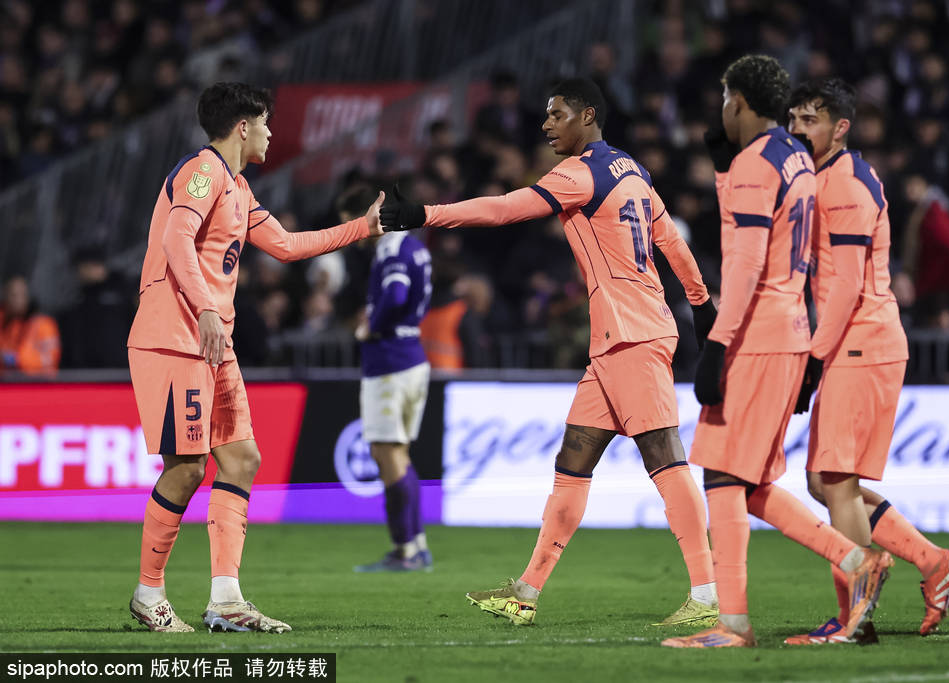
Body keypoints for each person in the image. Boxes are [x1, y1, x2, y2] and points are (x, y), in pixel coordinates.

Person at [381, 77, 720, 628]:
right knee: (572, 463)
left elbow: (504, 209)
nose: (545, 125)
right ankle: (525, 592)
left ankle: (707, 596)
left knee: (664, 454)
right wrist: (701, 304)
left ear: (587, 116)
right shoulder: (632, 170)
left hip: (631, 335)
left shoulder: (581, 173)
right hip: (619, 337)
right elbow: (672, 243)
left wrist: (424, 214)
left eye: (556, 114)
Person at [126, 82, 384, 633]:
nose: (270, 133)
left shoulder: (238, 187)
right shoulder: (203, 171)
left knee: (242, 459)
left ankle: (226, 600)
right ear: (243, 126)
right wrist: (206, 309)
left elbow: (287, 246)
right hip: (175, 339)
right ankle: (149, 593)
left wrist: (361, 228)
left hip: (212, 344)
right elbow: (176, 240)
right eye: (265, 123)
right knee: (186, 467)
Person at [661, 56, 893, 650]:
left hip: (756, 335)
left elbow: (745, 260)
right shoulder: (794, 156)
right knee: (748, 482)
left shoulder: (758, 162)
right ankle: (854, 560)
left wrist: (717, 343)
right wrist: (723, 170)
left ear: (738, 102)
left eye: (724, 99)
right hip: (790, 331)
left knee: (721, 476)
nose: (721, 109)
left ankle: (736, 623)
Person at [784, 77, 949, 644]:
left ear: (840, 127)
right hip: (856, 343)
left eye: (810, 120)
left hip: (859, 342)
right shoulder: (825, 177)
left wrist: (813, 359)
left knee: (835, 481)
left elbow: (845, 285)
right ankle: (933, 562)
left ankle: (853, 618)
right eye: (793, 118)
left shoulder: (846, 184)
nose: (797, 129)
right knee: (824, 481)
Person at [352, 194, 434, 573]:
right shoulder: (417, 248)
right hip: (411, 355)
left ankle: (406, 550)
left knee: (388, 454)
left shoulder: (392, 248)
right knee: (398, 454)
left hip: (390, 361)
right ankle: (416, 545)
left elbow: (397, 293)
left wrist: (372, 325)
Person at [0, 275, 60, 376]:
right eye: (13, 295)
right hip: (6, 382)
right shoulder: (4, 322)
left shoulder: (44, 324)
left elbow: (50, 359)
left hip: (36, 382)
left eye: (22, 295)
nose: (18, 300)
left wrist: (14, 359)